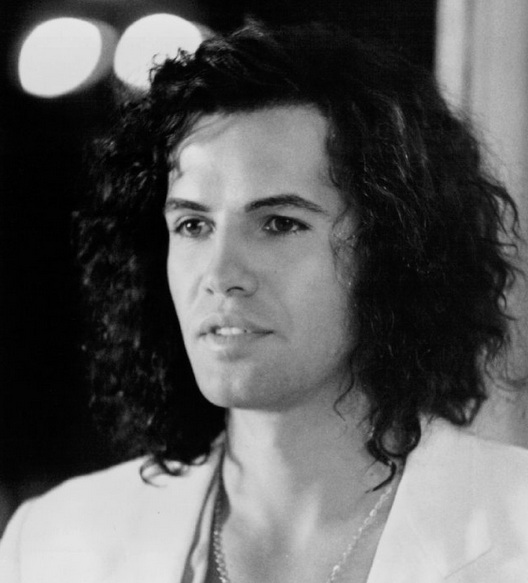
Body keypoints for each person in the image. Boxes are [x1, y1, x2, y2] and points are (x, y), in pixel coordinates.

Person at [1, 20, 528, 583]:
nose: (220, 274)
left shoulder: (513, 529)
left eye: (279, 223)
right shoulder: (54, 541)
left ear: (393, 249)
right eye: (193, 224)